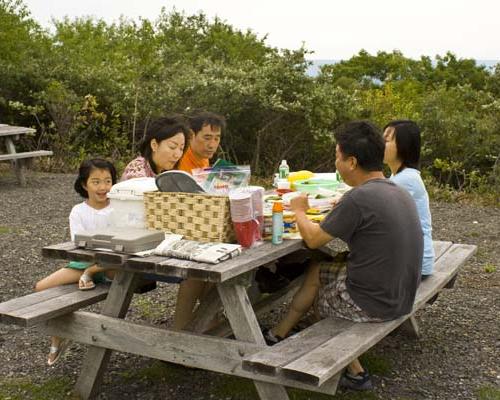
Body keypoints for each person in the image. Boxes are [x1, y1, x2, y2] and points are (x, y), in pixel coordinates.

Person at [263, 121, 423, 391]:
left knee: (319, 302)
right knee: (318, 269)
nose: (335, 162)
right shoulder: (394, 189)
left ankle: (356, 373)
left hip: (374, 304)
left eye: (337, 157)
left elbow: (313, 239)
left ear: (351, 162)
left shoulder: (359, 198)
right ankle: (279, 332)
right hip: (402, 294)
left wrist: (299, 210)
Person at [35, 158, 117, 365]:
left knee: (122, 268)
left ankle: (90, 273)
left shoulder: (118, 207)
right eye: (96, 182)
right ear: (84, 184)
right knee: (41, 288)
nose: (103, 187)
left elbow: (124, 244)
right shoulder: (78, 211)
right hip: (84, 263)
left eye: (108, 181)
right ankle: (58, 337)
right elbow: (79, 242)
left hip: (113, 264)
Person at [172, 111, 225, 331]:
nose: (212, 144)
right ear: (191, 135)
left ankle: (207, 322)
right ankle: (180, 329)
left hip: (200, 226)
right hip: (180, 231)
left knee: (219, 263)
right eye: (206, 137)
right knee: (198, 272)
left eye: (217, 138)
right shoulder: (181, 161)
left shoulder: (204, 159)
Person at [383, 120, 434, 278]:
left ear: (403, 146)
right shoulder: (399, 175)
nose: (379, 144)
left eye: (386, 140)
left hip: (415, 264)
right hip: (412, 258)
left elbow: (376, 212)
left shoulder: (406, 179)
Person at [121, 115, 191, 180]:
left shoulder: (168, 172)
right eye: (172, 147)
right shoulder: (136, 169)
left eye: (181, 149)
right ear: (154, 145)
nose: (177, 155)